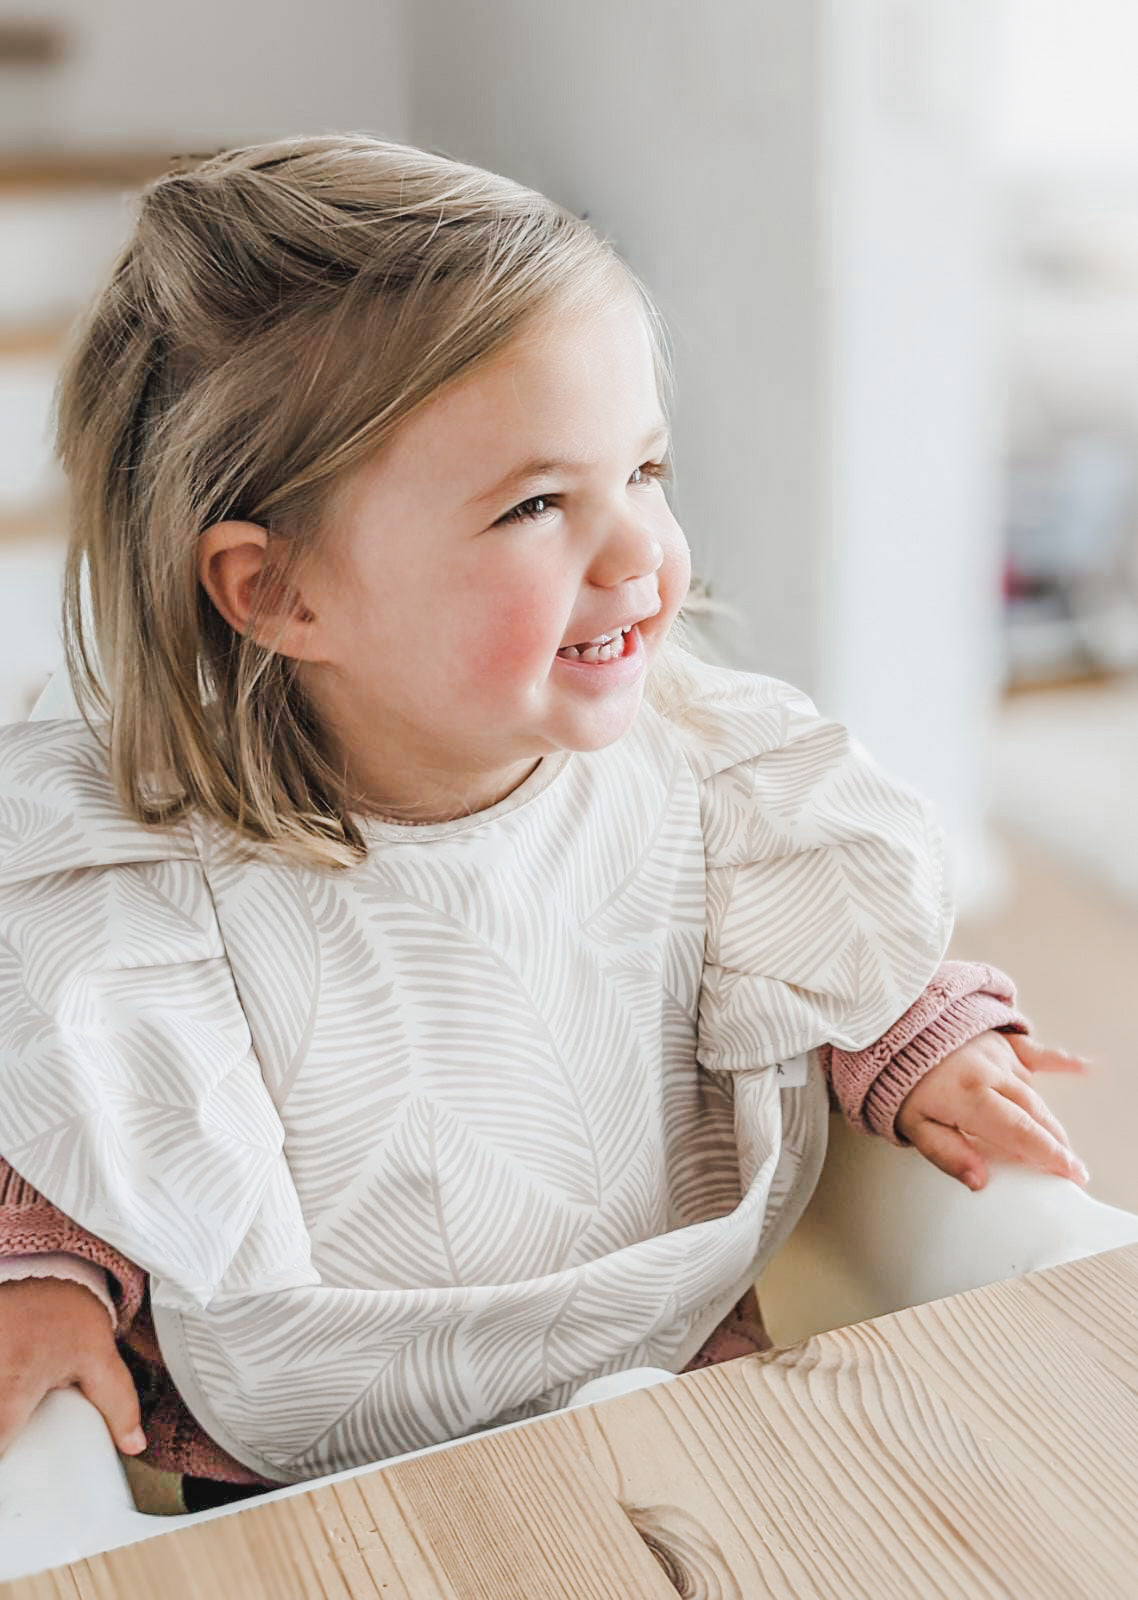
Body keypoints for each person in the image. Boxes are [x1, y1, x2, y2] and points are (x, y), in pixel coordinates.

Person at [0, 135, 1089, 1511]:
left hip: (670, 1361)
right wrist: (46, 1274)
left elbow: (806, 930)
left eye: (645, 470)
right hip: (322, 1468)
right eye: (535, 505)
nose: (640, 552)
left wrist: (915, 1036)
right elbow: (81, 1080)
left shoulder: (703, 769)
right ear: (276, 593)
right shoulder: (149, 864)